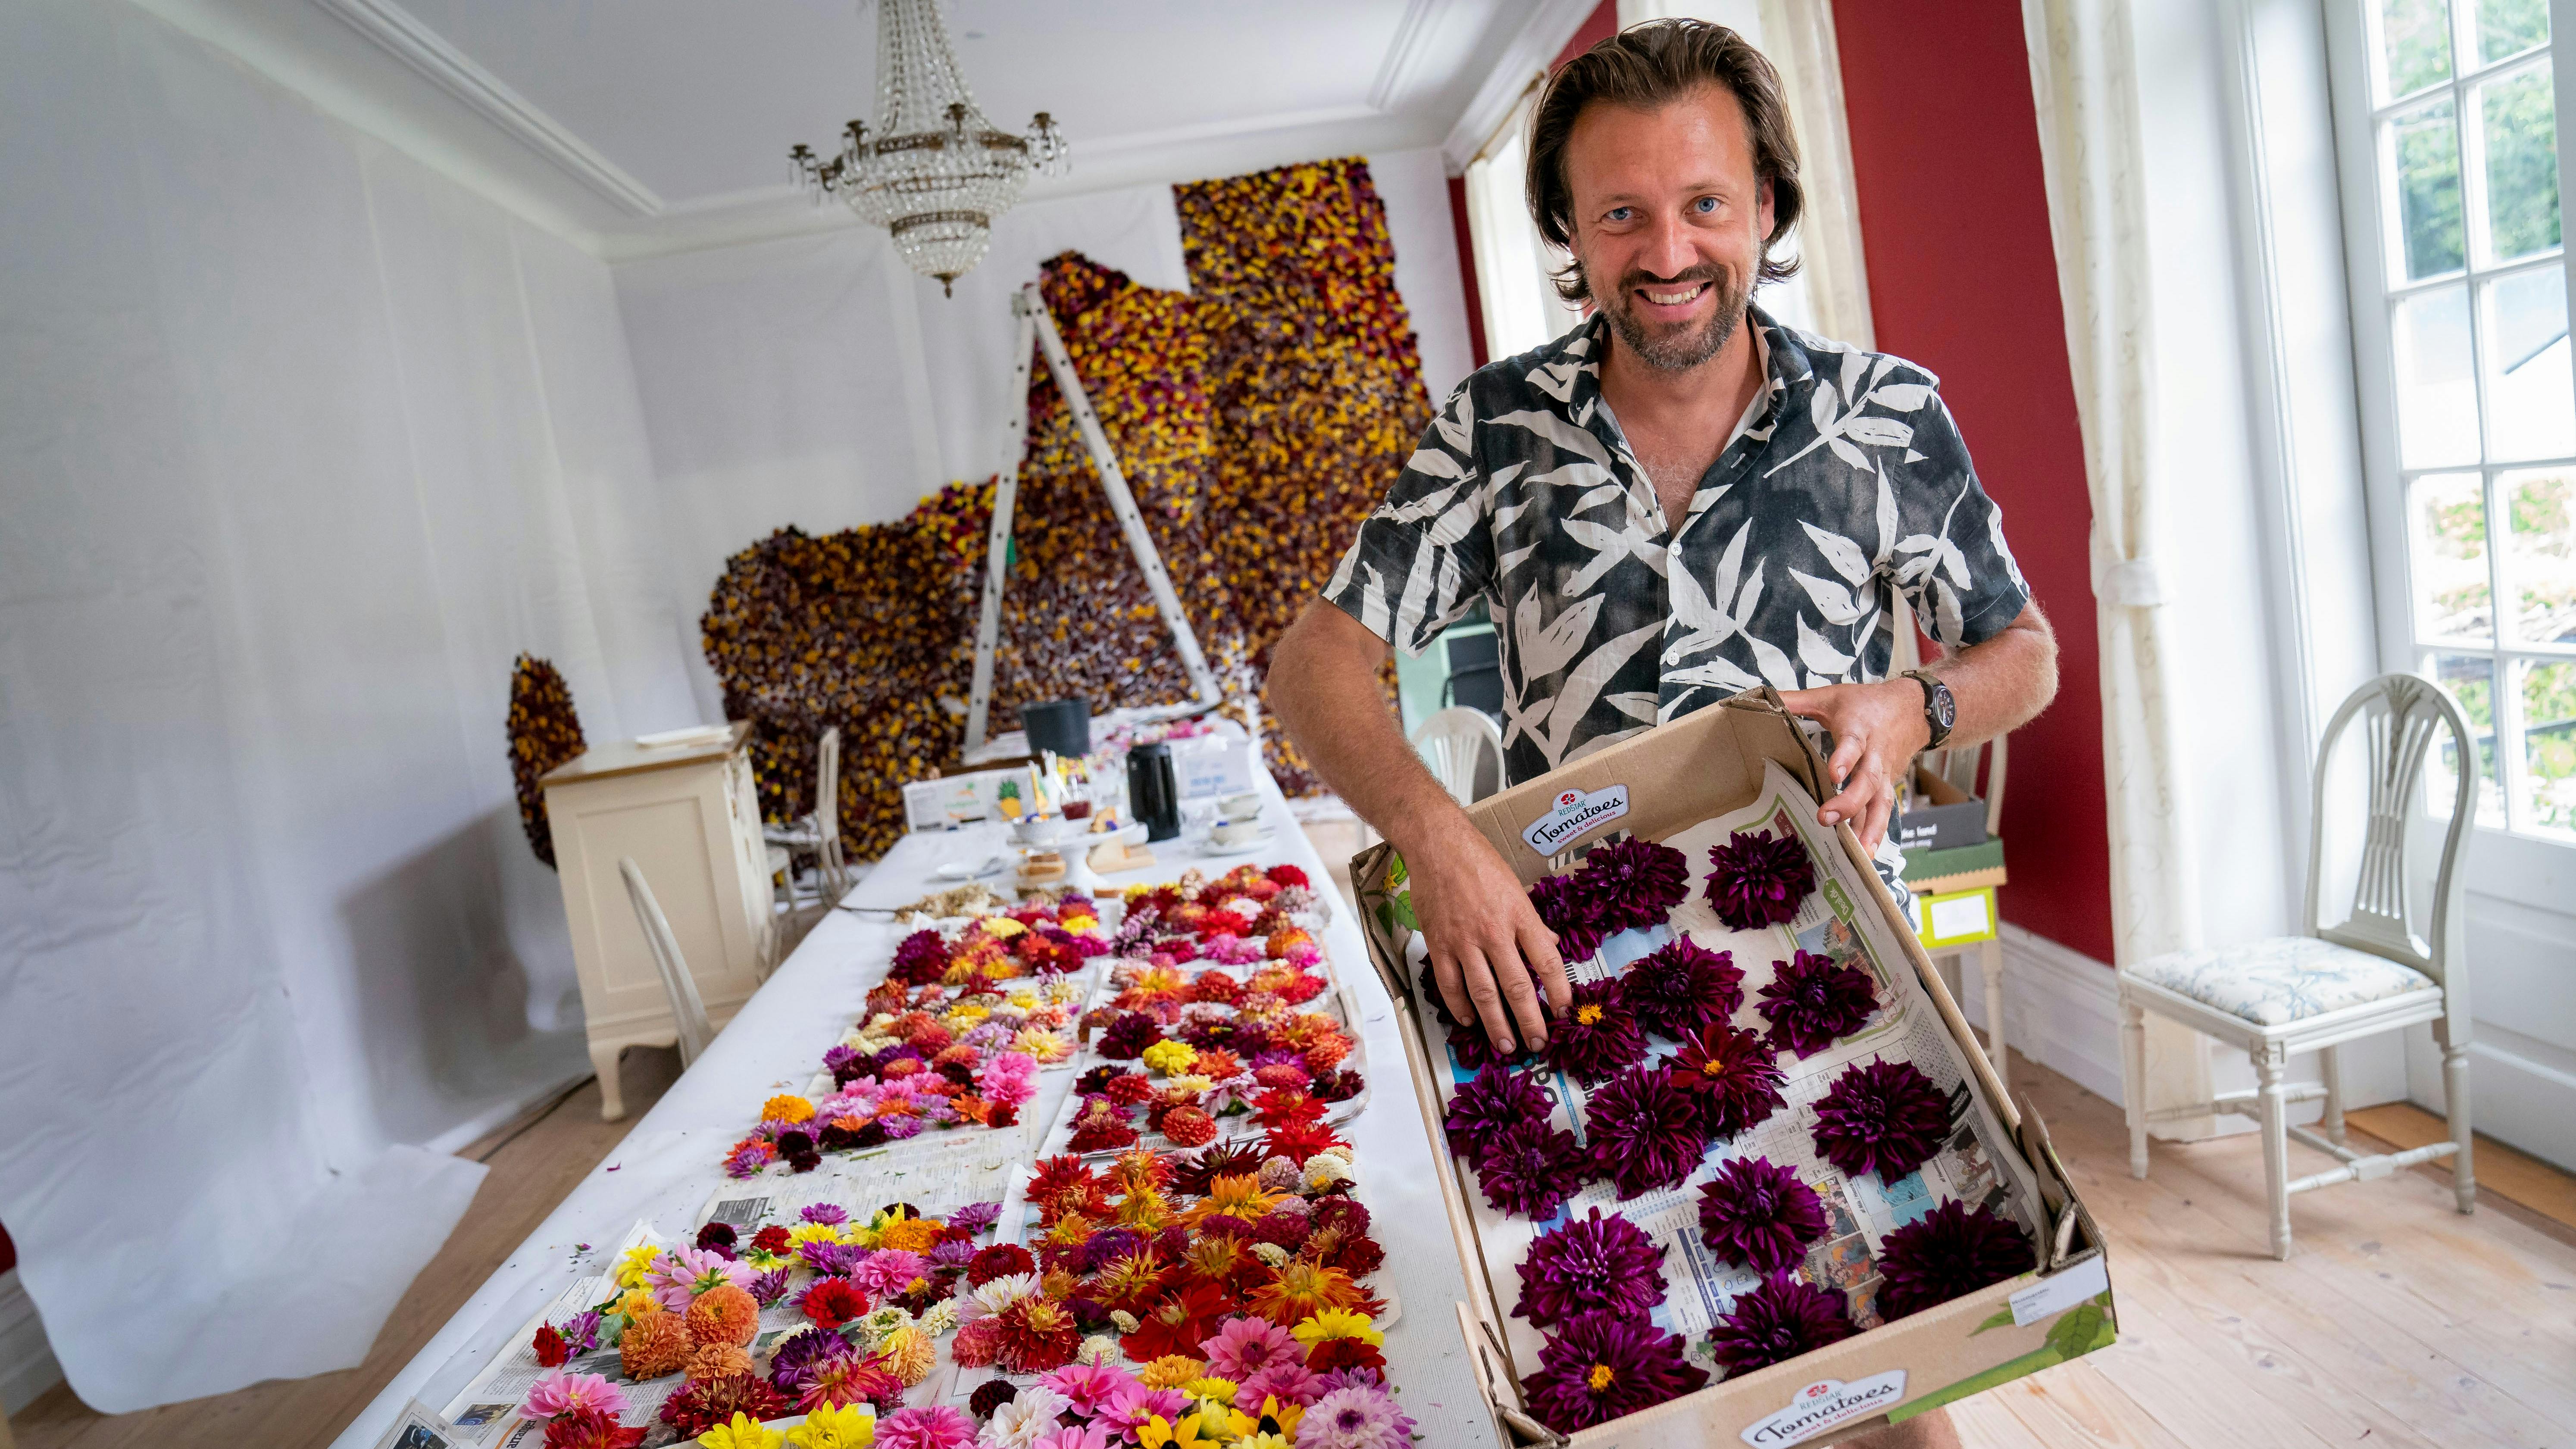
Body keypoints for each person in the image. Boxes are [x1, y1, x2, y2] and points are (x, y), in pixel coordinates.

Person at [1268, 21, 2058, 1448]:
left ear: (1768, 205)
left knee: (1889, 1375)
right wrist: (1436, 837)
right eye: (1621, 212)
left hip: (1835, 972)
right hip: (1575, 985)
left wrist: (1914, 702)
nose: (1669, 250)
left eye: (1705, 202)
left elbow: (2026, 653)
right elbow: (1313, 661)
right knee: (1644, 1377)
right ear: (1570, 232)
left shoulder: (1886, 417)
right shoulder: (1493, 433)